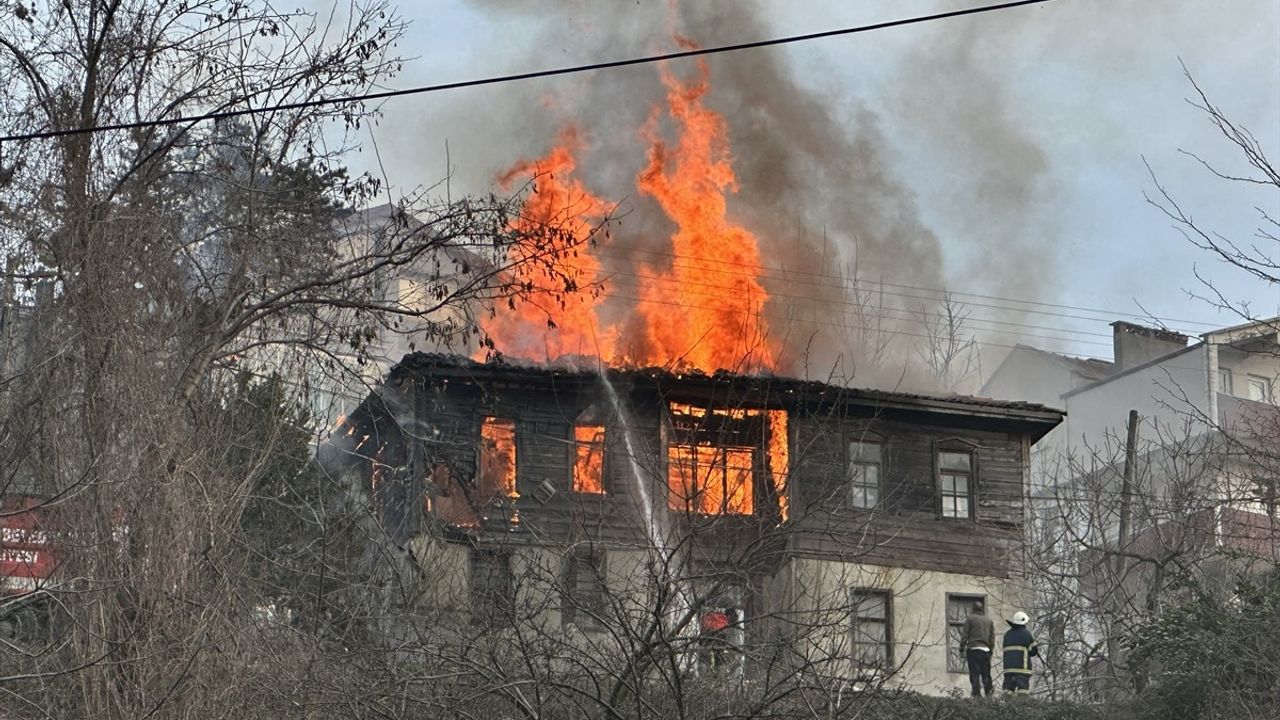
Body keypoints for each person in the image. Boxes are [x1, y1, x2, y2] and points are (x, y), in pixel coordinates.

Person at [959, 600, 995, 697]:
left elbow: (965, 636)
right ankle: (989, 695)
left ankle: (976, 696)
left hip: (973, 649)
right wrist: (990, 650)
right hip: (986, 651)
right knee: (986, 674)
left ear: (973, 609)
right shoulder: (989, 621)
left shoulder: (970, 619)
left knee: (975, 674)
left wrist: (961, 649)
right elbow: (992, 638)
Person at [1002, 610, 1040, 693]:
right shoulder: (1026, 634)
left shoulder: (1007, 635)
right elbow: (1034, 651)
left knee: (1007, 693)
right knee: (1023, 693)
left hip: (1008, 670)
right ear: (1023, 622)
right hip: (1022, 670)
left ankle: (1002, 705)